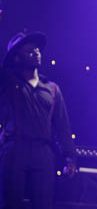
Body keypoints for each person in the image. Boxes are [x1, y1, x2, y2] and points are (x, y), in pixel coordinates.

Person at [0, 32, 77, 209]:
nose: (36, 52)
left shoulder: (52, 89)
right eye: (29, 50)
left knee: (44, 204)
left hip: (43, 153)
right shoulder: (9, 83)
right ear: (17, 58)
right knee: (11, 203)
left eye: (37, 49)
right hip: (15, 149)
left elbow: (62, 127)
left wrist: (70, 157)